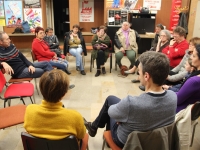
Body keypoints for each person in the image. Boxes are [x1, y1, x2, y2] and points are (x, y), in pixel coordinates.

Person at [84, 51, 177, 148]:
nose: (138, 75)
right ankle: (94, 127)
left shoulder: (131, 103)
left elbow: (111, 112)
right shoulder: (173, 97)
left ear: (146, 76)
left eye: (139, 72)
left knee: (110, 102)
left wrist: (122, 117)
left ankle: (94, 127)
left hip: (127, 141)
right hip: (158, 142)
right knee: (115, 105)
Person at [24, 69, 86, 147]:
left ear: (41, 89)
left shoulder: (30, 110)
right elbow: (81, 135)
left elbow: (27, 129)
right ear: (64, 94)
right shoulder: (75, 116)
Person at [176, 44, 200, 113]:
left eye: (194, 56)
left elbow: (177, 100)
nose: (191, 57)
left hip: (180, 111)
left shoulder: (194, 81)